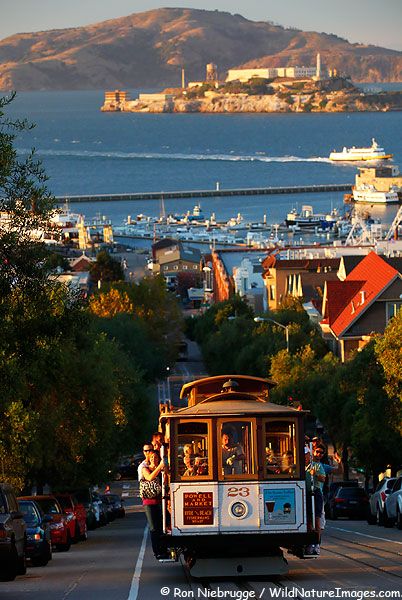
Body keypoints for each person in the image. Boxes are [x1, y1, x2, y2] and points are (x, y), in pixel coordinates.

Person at [141, 451, 168, 559]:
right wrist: (160, 466)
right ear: (148, 458)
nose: (153, 459)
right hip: (149, 502)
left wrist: (165, 470)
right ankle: (157, 551)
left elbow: (166, 481)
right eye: (151, 457)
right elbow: (150, 477)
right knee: (153, 528)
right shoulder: (145, 469)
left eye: (155, 457)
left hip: (160, 501)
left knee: (161, 527)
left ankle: (163, 549)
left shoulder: (160, 470)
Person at [305, 446, 326, 556]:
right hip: (306, 494)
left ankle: (316, 544)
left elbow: (323, 479)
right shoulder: (302, 467)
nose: (305, 457)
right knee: (308, 520)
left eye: (306, 455)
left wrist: (315, 474)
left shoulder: (317, 465)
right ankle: (309, 543)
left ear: (310, 455)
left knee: (317, 519)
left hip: (316, 493)